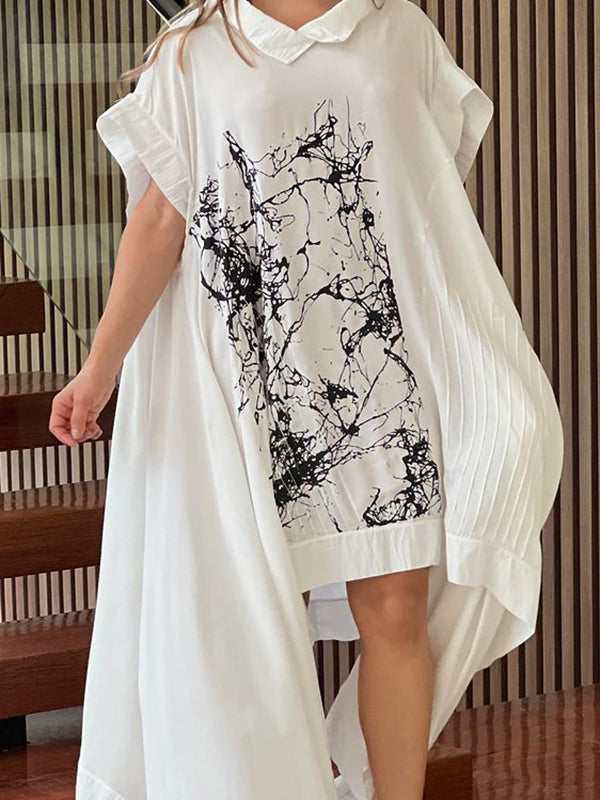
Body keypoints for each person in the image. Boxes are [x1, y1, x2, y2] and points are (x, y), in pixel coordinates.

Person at [49, 2, 564, 799]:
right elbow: (159, 218)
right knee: (253, 627)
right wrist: (99, 368)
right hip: (249, 388)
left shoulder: (397, 29)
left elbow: (424, 200)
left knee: (394, 613)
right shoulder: (194, 47)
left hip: (381, 381)